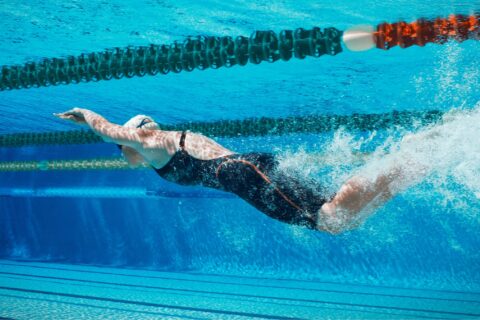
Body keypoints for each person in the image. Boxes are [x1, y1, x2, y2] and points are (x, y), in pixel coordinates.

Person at [55, 108, 417, 234]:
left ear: (132, 139)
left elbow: (106, 129)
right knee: (339, 216)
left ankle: (408, 157)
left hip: (244, 175)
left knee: (331, 218)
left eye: (123, 148)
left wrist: (83, 114)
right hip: (249, 170)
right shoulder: (170, 139)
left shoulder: (149, 142)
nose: (122, 154)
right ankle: (416, 161)